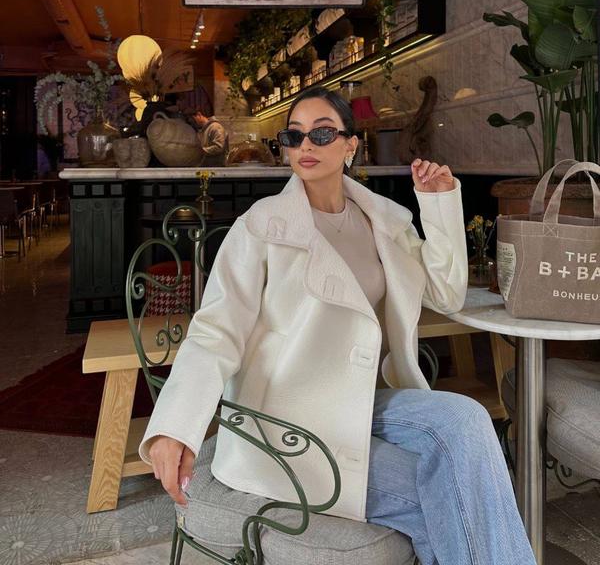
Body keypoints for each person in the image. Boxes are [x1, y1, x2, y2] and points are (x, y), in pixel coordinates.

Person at [138, 85, 536, 565]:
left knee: (466, 418)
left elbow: (446, 293)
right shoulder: (261, 227)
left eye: (323, 133)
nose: (306, 145)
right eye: (294, 135)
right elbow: (214, 332)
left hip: (360, 402)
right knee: (448, 491)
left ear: (351, 145)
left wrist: (439, 204)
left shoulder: (382, 221)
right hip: (286, 422)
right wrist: (175, 426)